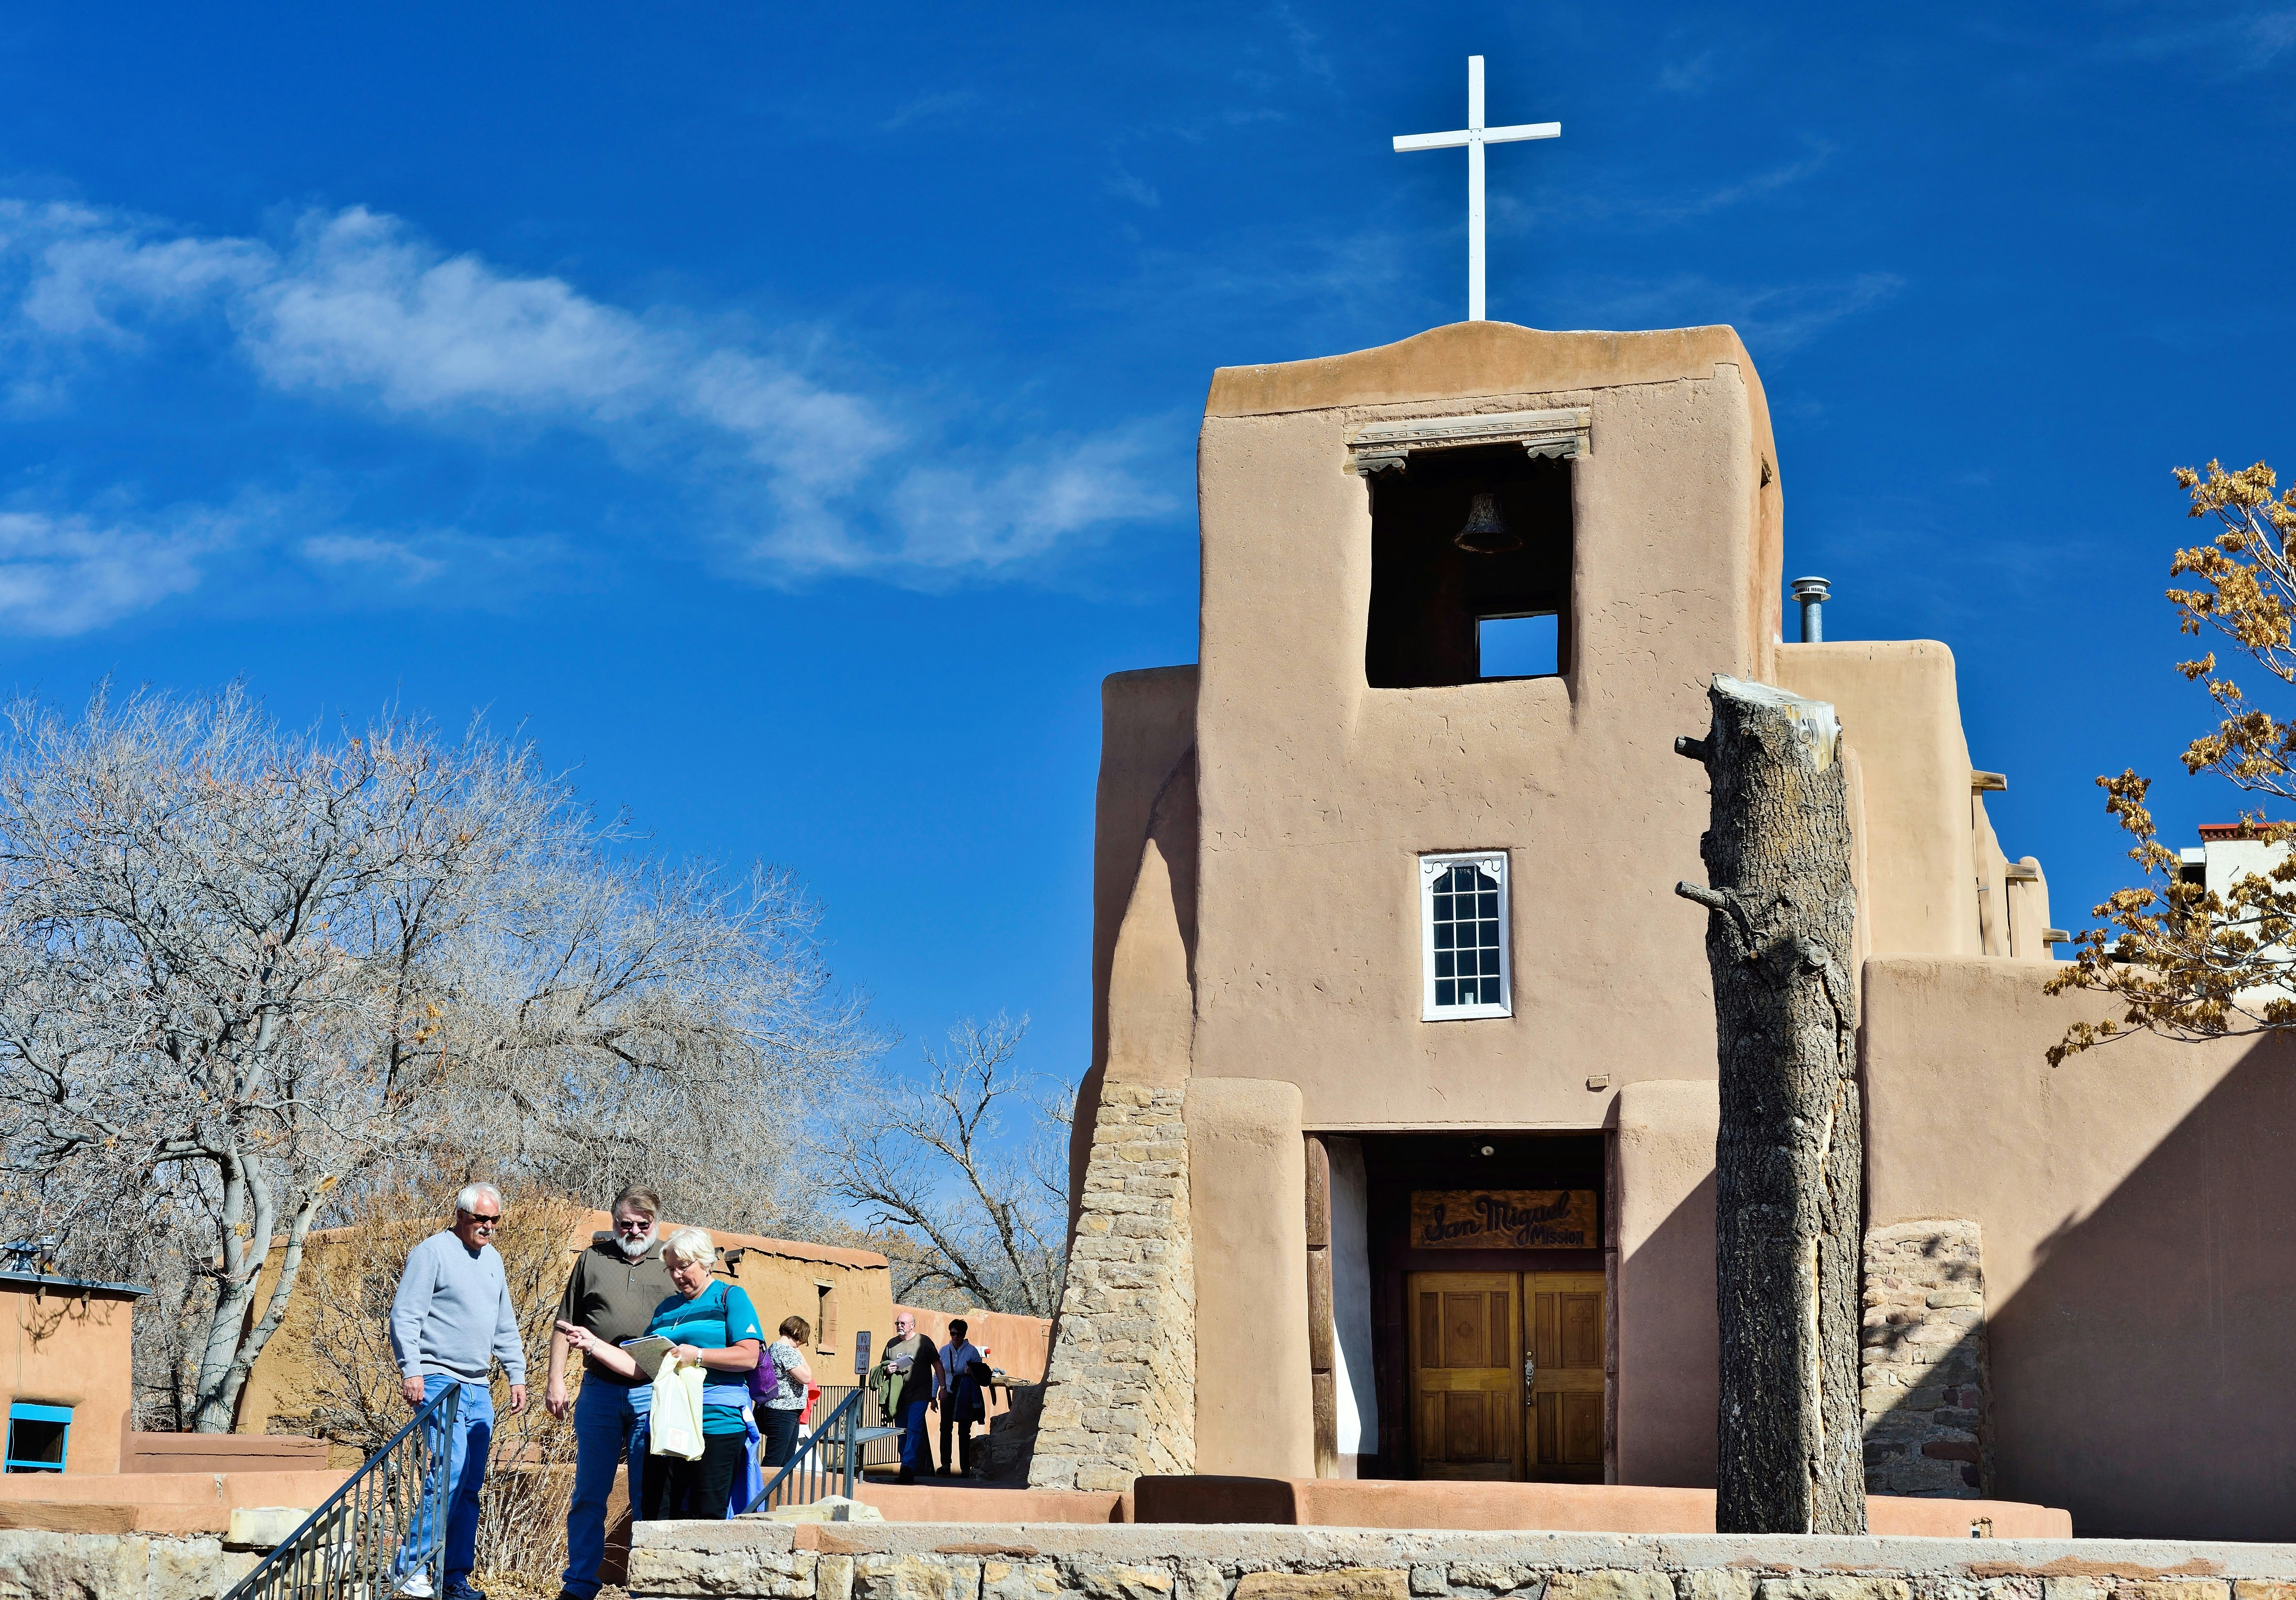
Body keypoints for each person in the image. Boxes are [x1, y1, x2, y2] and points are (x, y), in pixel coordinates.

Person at [556, 1226, 761, 1521]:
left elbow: (749, 1356)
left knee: (707, 1516)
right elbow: (640, 1369)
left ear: (704, 1261)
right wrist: (592, 1343)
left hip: (716, 1422)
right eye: (671, 1269)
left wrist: (698, 1354)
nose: (677, 1276)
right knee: (657, 1514)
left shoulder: (731, 1297)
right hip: (667, 1423)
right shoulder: (665, 1309)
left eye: (684, 1267)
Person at [388, 1182, 528, 1600]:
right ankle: (410, 1565)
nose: (488, 1226)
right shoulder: (432, 1253)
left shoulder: (493, 1260)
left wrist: (516, 1373)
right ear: (461, 1216)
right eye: (481, 1218)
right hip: (437, 1380)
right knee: (447, 1472)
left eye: (494, 1220)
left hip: (479, 1386)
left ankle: (453, 1579)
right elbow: (405, 1315)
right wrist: (410, 1369)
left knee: (469, 1483)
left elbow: (504, 1324)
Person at [545, 1186, 676, 1600]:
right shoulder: (592, 1259)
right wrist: (555, 1380)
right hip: (599, 1390)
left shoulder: (670, 1263)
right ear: (613, 1221)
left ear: (656, 1223)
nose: (634, 1230)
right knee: (589, 1492)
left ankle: (646, 1587)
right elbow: (565, 1324)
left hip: (651, 1392)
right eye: (626, 1223)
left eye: (643, 1224)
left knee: (647, 1495)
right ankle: (580, 1584)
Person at [871, 1311, 940, 1485]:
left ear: (912, 1325)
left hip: (919, 1395)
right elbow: (883, 1367)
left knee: (914, 1429)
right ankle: (906, 1466)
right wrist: (888, 1370)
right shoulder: (892, 1345)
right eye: (897, 1323)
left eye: (903, 1323)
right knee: (902, 1433)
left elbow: (938, 1364)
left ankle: (908, 1467)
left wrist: (943, 1388)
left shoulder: (923, 1342)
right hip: (898, 1397)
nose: (899, 1326)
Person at [754, 1316, 814, 1471]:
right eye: (802, 1338)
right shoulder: (785, 1350)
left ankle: (778, 1494)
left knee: (786, 1460)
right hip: (782, 1411)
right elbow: (806, 1377)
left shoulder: (775, 1347)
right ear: (795, 1332)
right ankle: (763, 1494)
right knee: (775, 1459)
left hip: (788, 1410)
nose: (802, 1343)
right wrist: (800, 1354)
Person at [935, 1318, 987, 1479]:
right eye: (953, 1333)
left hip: (965, 1396)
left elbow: (980, 1375)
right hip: (948, 1393)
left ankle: (965, 1468)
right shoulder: (944, 1351)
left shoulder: (972, 1352)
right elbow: (938, 1374)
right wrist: (933, 1395)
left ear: (964, 1334)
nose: (955, 1336)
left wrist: (971, 1372)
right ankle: (945, 1465)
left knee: (965, 1431)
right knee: (945, 1429)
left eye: (959, 1334)